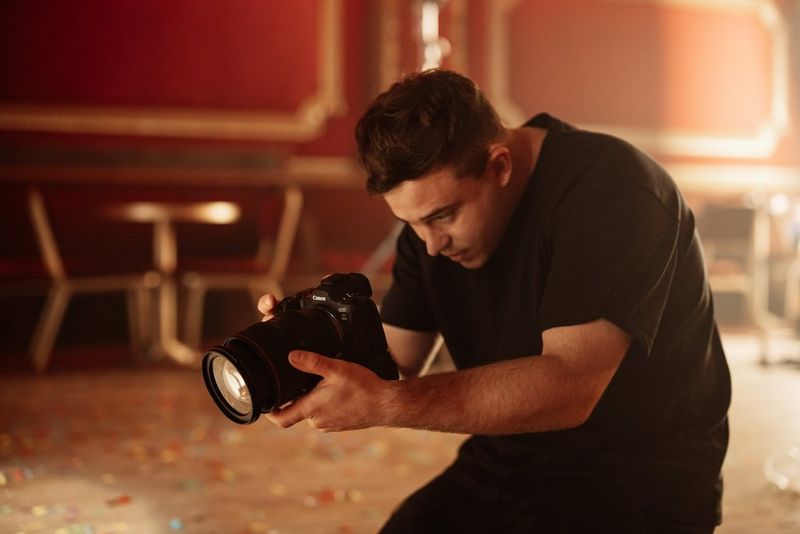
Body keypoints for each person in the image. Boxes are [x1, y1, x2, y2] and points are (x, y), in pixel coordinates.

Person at [258, 69, 731, 533]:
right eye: (412, 223)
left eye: (442, 216)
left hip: (637, 480)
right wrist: (306, 343)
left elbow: (570, 387)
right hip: (505, 461)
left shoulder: (613, 189)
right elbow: (394, 360)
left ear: (499, 165)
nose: (431, 245)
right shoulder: (430, 232)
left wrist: (387, 404)